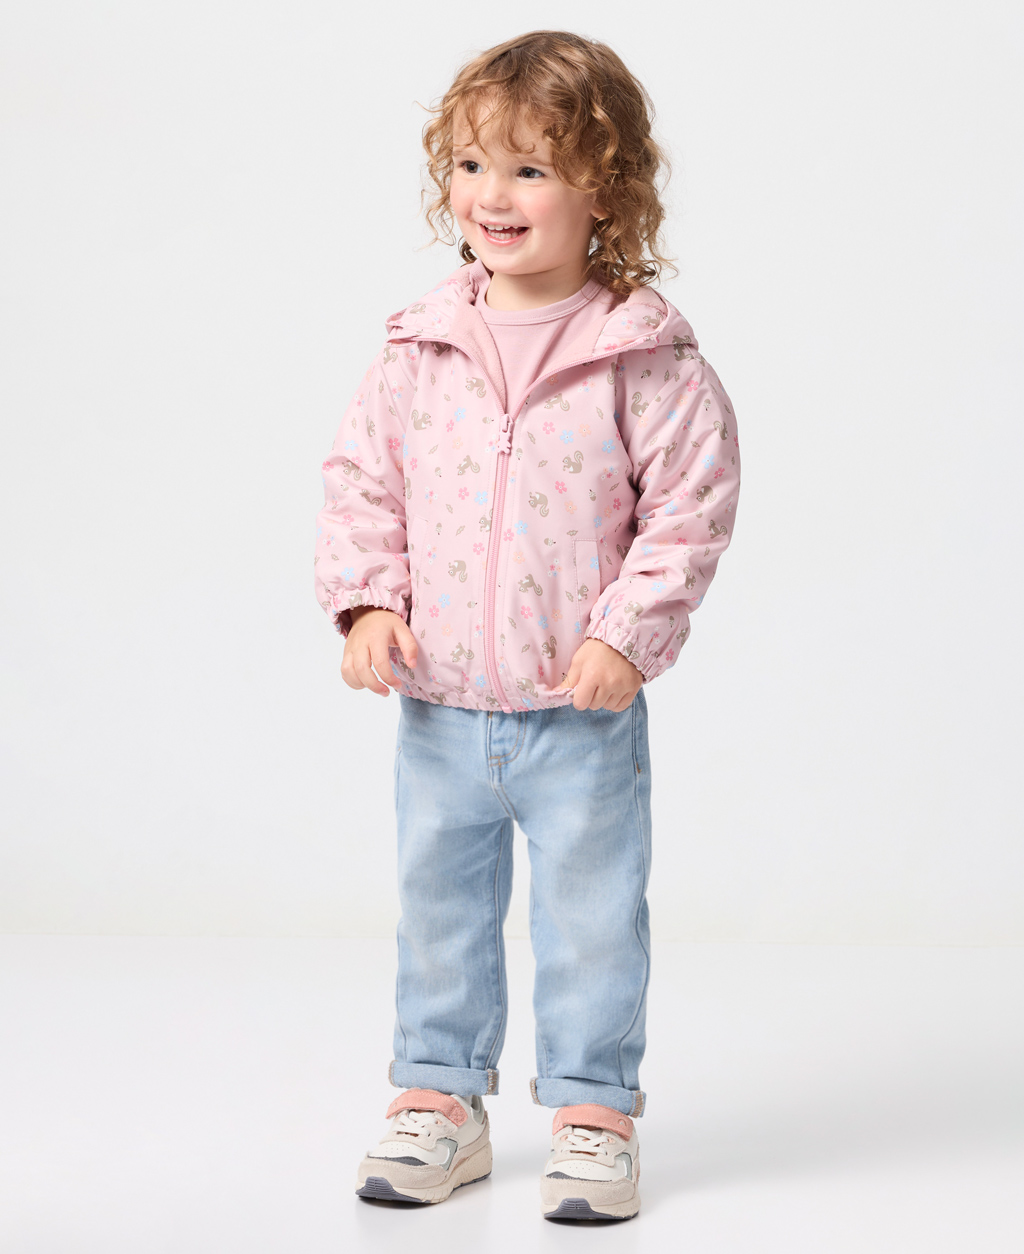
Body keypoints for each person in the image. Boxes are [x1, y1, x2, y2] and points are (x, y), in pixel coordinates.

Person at [313, 30, 741, 1221]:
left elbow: (690, 508)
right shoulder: (419, 348)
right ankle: (438, 1101)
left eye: (529, 169)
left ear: (605, 187)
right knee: (441, 914)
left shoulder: (639, 355)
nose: (491, 195)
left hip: (578, 713)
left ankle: (594, 1115)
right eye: (470, 166)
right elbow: (361, 482)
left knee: (591, 921)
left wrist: (626, 635)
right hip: (438, 704)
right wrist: (368, 601)